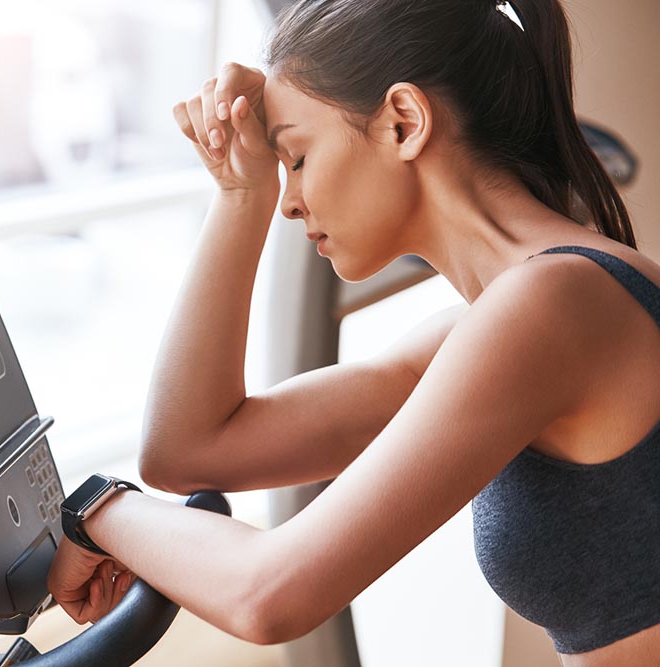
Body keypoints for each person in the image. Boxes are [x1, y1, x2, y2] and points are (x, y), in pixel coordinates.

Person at [47, 0, 660, 663]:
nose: (288, 199)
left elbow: (269, 592)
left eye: (299, 157)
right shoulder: (506, 318)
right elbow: (188, 450)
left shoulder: (549, 306)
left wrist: (97, 511)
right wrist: (237, 195)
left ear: (403, 122)